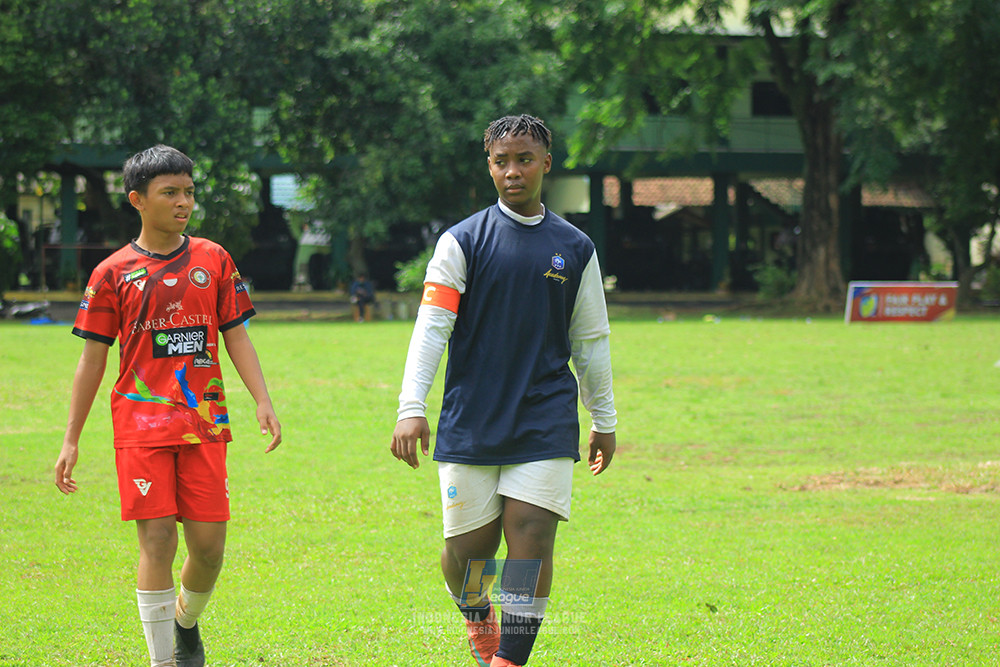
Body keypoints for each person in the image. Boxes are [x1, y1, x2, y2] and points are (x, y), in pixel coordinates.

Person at [390, 115, 617, 667]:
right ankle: (477, 616)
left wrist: (603, 419)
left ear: (545, 163)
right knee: (468, 557)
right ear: (489, 166)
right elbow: (432, 329)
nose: (512, 171)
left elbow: (589, 339)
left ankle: (509, 659)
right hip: (472, 418)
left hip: (545, 416)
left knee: (531, 537)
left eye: (524, 159)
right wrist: (411, 408)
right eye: (501, 161)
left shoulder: (575, 247)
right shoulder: (460, 241)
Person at [54, 145, 282, 667]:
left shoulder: (214, 259)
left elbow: (236, 336)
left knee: (208, 550)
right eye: (170, 193)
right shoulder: (111, 273)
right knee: (156, 541)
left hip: (203, 423)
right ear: (137, 200)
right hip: (139, 426)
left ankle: (185, 622)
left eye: (189, 192)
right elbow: (91, 362)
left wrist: (262, 399)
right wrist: (71, 439)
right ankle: (162, 661)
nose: (184, 202)